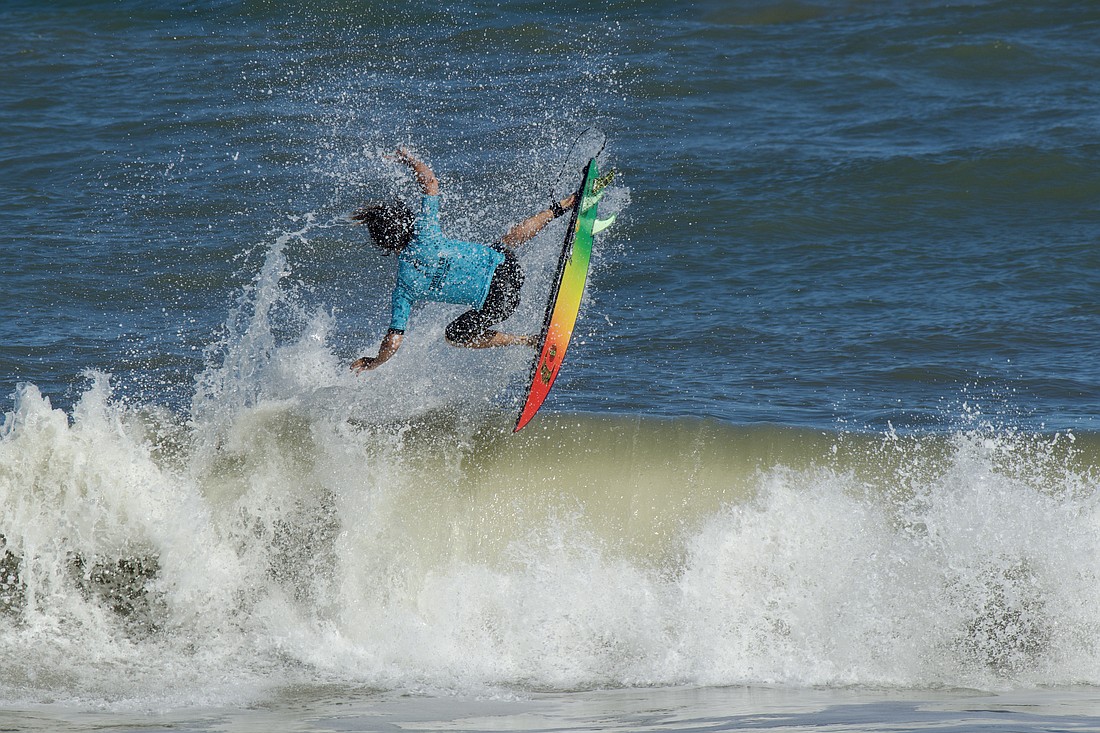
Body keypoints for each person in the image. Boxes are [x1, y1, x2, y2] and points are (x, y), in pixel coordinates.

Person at [350, 147, 576, 373]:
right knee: (504, 243)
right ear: (405, 219)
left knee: (455, 335)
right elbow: (430, 182)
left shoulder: (404, 288)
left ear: (384, 244)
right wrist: (410, 160)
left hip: (502, 303)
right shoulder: (424, 230)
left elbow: (394, 340)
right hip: (508, 267)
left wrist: (374, 362)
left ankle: (529, 341)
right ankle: (562, 207)